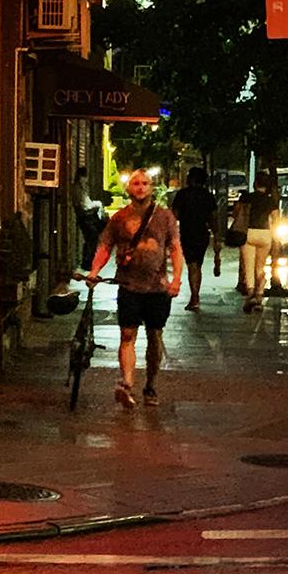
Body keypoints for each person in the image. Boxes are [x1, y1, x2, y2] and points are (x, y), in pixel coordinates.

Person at [81, 167, 182, 407]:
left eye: (145, 183)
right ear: (129, 188)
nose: (140, 187)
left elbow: (176, 249)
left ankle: (151, 384)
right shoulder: (119, 219)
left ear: (152, 188)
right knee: (127, 334)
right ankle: (127, 382)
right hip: (128, 285)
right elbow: (105, 247)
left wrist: (176, 279)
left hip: (157, 288)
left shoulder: (165, 217)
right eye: (136, 183)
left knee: (154, 337)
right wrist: (94, 271)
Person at [171, 166, 218, 310]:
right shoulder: (207, 195)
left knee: (192, 265)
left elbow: (174, 216)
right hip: (202, 233)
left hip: (187, 232)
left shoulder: (182, 194)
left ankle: (195, 297)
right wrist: (217, 236)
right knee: (198, 265)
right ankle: (195, 295)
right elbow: (212, 218)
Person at [241, 171, 278, 312]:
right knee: (260, 266)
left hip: (249, 233)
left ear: (255, 183)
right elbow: (276, 219)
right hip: (265, 234)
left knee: (248, 265)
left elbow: (237, 213)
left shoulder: (247, 198)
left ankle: (250, 292)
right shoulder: (271, 201)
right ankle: (259, 296)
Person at [72, 167, 107, 269]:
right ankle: (87, 262)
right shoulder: (78, 189)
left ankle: (88, 261)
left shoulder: (81, 188)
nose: (86, 179)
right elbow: (85, 205)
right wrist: (98, 204)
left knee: (91, 238)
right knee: (92, 238)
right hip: (85, 217)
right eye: (85, 176)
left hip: (86, 216)